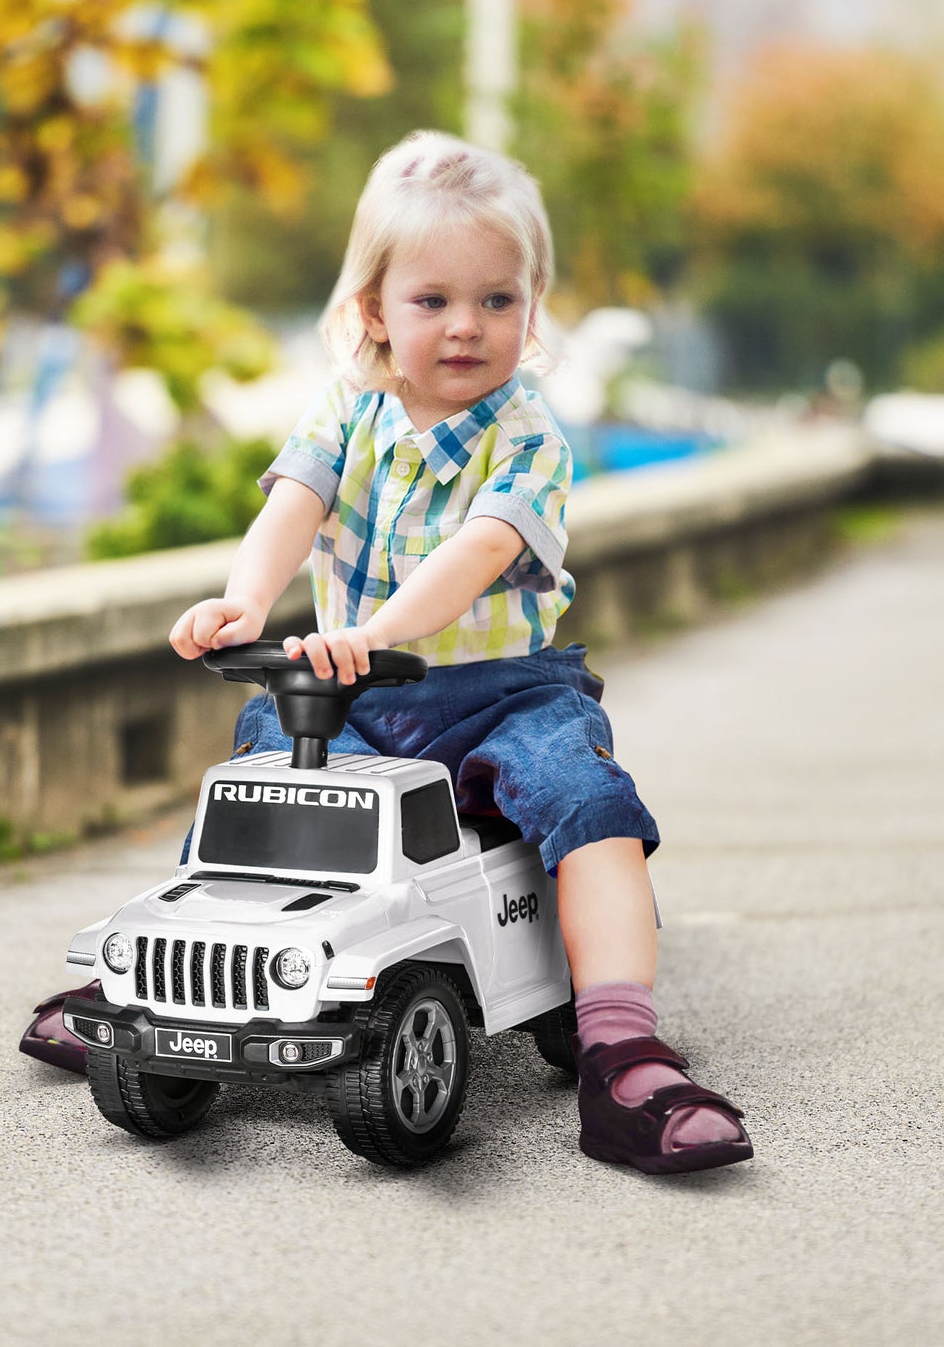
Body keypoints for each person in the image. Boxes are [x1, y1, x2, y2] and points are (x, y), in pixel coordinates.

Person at [171, 131, 751, 1175]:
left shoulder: (527, 434)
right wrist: (243, 598)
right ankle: (181, 972)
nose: (465, 326)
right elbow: (294, 502)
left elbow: (478, 550)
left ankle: (621, 1045)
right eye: (431, 299)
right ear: (373, 311)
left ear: (532, 307)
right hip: (354, 687)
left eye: (496, 299)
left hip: (501, 690)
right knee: (258, 770)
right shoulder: (347, 404)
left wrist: (381, 626)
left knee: (584, 795)